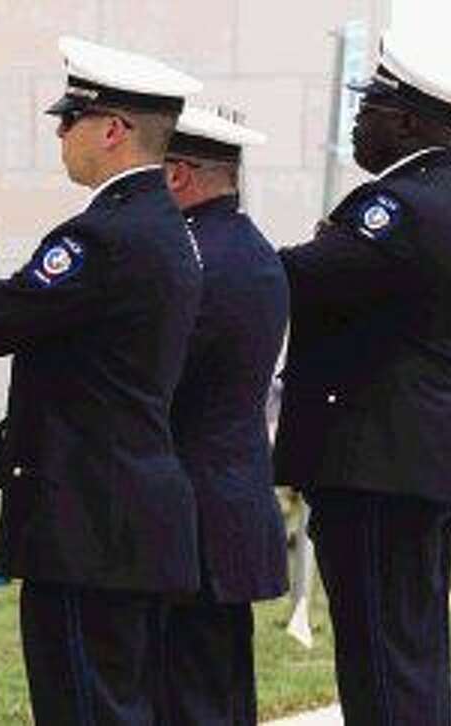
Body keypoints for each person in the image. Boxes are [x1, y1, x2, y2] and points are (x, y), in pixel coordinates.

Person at [0, 36, 204, 723]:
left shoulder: (102, 237)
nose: (61, 134)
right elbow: (89, 373)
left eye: (71, 119)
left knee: (83, 707)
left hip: (88, 526)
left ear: (114, 131)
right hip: (129, 518)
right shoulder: (164, 226)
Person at [273, 29, 451, 726]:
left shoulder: (398, 209)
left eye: (368, 109)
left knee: (381, 661)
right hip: (415, 458)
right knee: (409, 653)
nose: (358, 122)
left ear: (404, 120)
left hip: (380, 462)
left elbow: (295, 277)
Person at [157, 108, 289, 725]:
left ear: (178, 176)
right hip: (229, 500)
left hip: (192, 507)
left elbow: (157, 382)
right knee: (221, 689)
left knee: (190, 694)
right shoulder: (248, 246)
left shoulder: (191, 258)